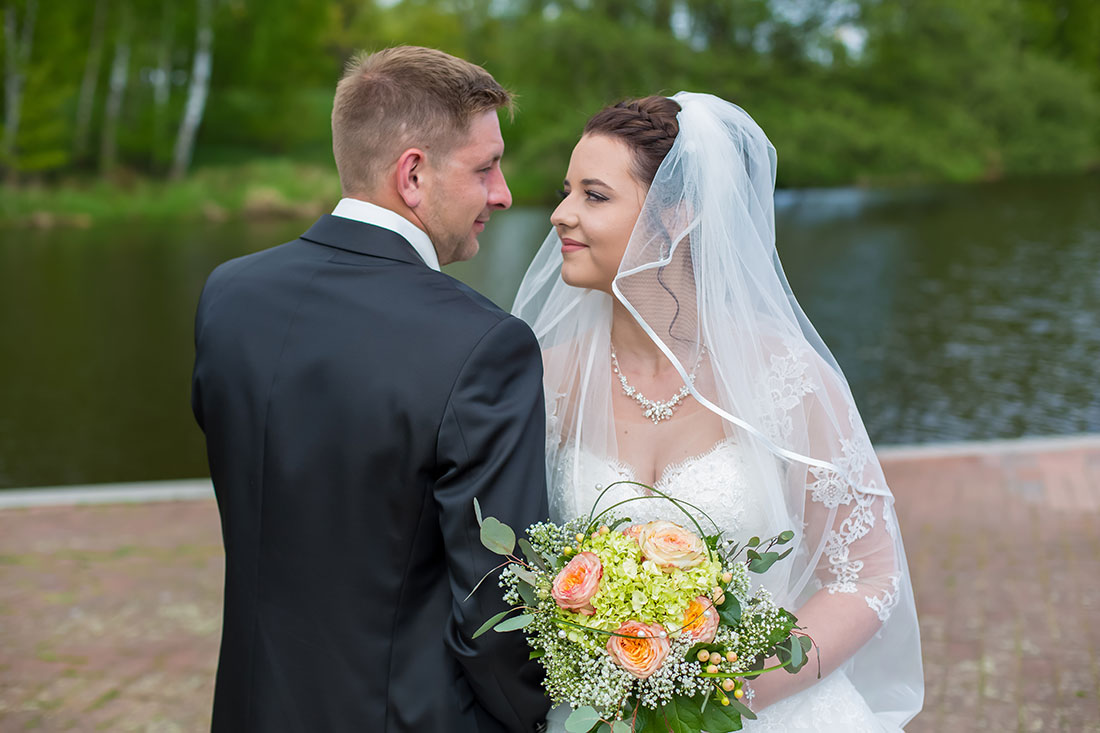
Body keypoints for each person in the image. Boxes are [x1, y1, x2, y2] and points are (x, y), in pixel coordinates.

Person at [513, 93, 924, 731]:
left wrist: (721, 696)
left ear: (675, 218)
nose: (560, 215)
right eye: (567, 191)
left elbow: (866, 576)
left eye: (594, 196)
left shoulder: (786, 380)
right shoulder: (545, 376)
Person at [191, 46, 550, 732]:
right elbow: (500, 606)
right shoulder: (483, 346)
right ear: (412, 174)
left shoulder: (228, 295)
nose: (502, 192)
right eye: (485, 167)